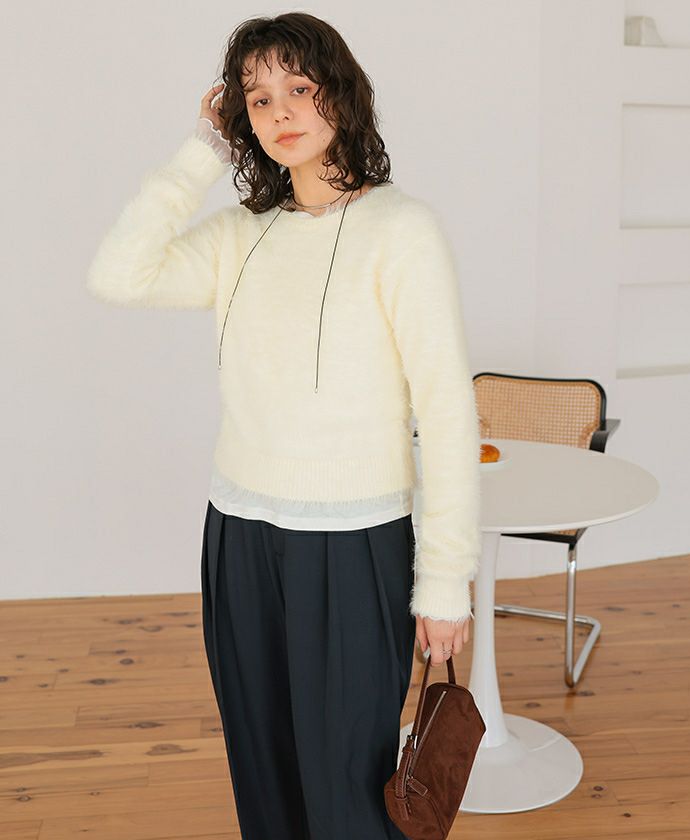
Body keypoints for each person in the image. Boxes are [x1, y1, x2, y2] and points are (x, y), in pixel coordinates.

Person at [87, 11, 481, 840]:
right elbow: (118, 274)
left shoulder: (402, 231)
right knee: (262, 773)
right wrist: (201, 149)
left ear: (341, 93)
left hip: (354, 540)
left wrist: (446, 582)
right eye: (258, 98)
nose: (280, 112)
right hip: (237, 532)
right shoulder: (241, 235)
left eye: (298, 88)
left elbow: (447, 410)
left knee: (348, 790)